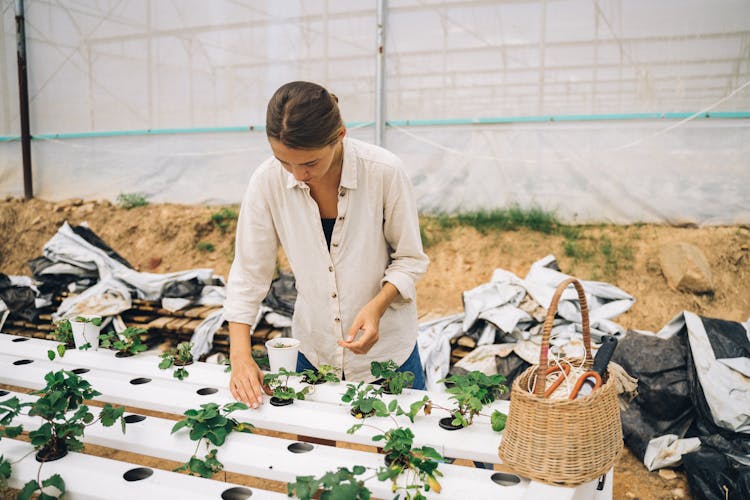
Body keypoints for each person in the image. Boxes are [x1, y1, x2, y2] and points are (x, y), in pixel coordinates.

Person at [223, 81, 429, 408]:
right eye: (283, 161)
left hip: (389, 352)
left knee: (404, 451)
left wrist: (377, 306)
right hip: (313, 349)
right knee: (310, 453)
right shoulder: (266, 181)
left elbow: (409, 259)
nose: (296, 174)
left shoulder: (384, 172)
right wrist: (241, 357)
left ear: (340, 136)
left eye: (309, 163)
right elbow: (249, 273)